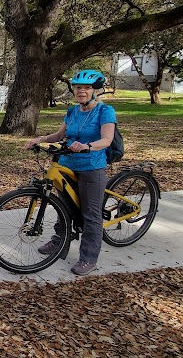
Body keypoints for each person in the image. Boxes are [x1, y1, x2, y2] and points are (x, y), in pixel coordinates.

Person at [24, 69, 116, 276]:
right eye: (78, 87)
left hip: (91, 166)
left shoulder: (105, 111)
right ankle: (59, 240)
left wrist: (87, 146)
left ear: (95, 91)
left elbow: (107, 139)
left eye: (86, 88)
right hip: (67, 165)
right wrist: (39, 139)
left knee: (91, 215)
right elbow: (59, 134)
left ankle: (88, 257)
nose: (81, 91)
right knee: (63, 207)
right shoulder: (73, 111)